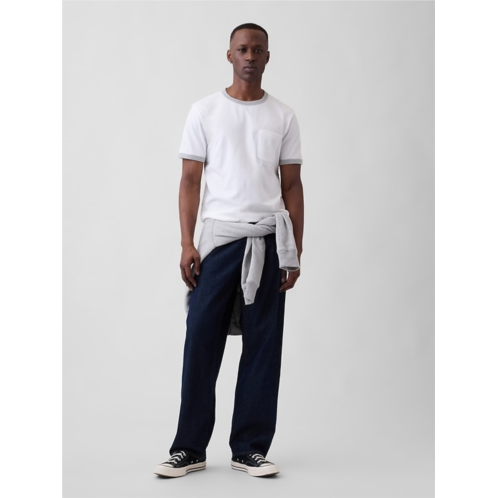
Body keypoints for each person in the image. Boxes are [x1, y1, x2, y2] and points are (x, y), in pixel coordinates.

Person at [154, 23, 304, 479]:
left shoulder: (283, 116)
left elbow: (292, 186)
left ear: (268, 56)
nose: (250, 56)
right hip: (218, 241)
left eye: (258, 50)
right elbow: (189, 181)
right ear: (229, 55)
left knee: (263, 347)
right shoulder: (205, 111)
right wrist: (187, 242)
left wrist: (294, 251)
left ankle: (249, 448)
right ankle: (189, 448)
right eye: (242, 49)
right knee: (201, 341)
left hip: (268, 240)